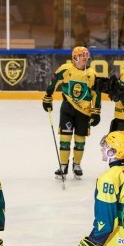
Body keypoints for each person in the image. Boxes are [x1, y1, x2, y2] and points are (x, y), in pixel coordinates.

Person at [42, 46, 102, 180]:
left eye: (86, 55)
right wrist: (47, 97)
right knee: (65, 138)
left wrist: (96, 112)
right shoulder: (66, 69)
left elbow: (96, 94)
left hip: (84, 112)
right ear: (75, 57)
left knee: (80, 140)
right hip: (67, 109)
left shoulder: (92, 74)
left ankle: (77, 165)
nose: (85, 58)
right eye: (82, 55)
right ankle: (63, 165)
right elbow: (53, 82)